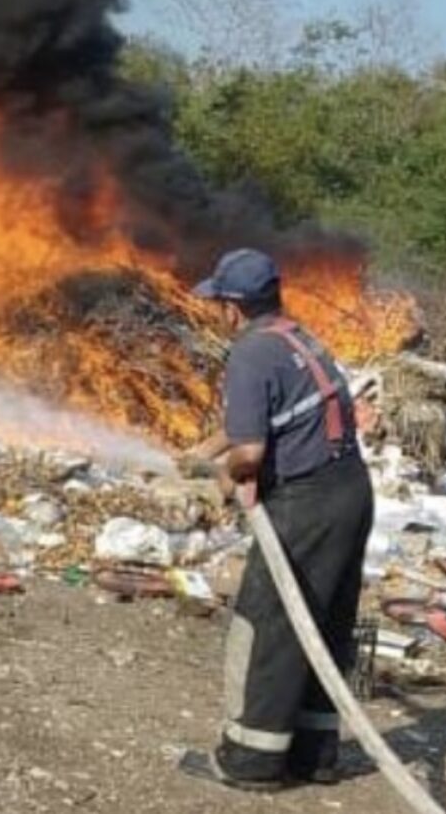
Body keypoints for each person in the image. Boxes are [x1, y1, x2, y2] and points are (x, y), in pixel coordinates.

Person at [179, 248, 374, 790]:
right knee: (326, 620)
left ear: (233, 307)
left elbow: (251, 453)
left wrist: (224, 476)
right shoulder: (296, 337)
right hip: (351, 492)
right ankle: (315, 755)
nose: (217, 311)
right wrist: (201, 451)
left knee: (268, 623)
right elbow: (271, 415)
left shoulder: (249, 353)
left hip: (305, 503)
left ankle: (251, 759)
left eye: (219, 302)